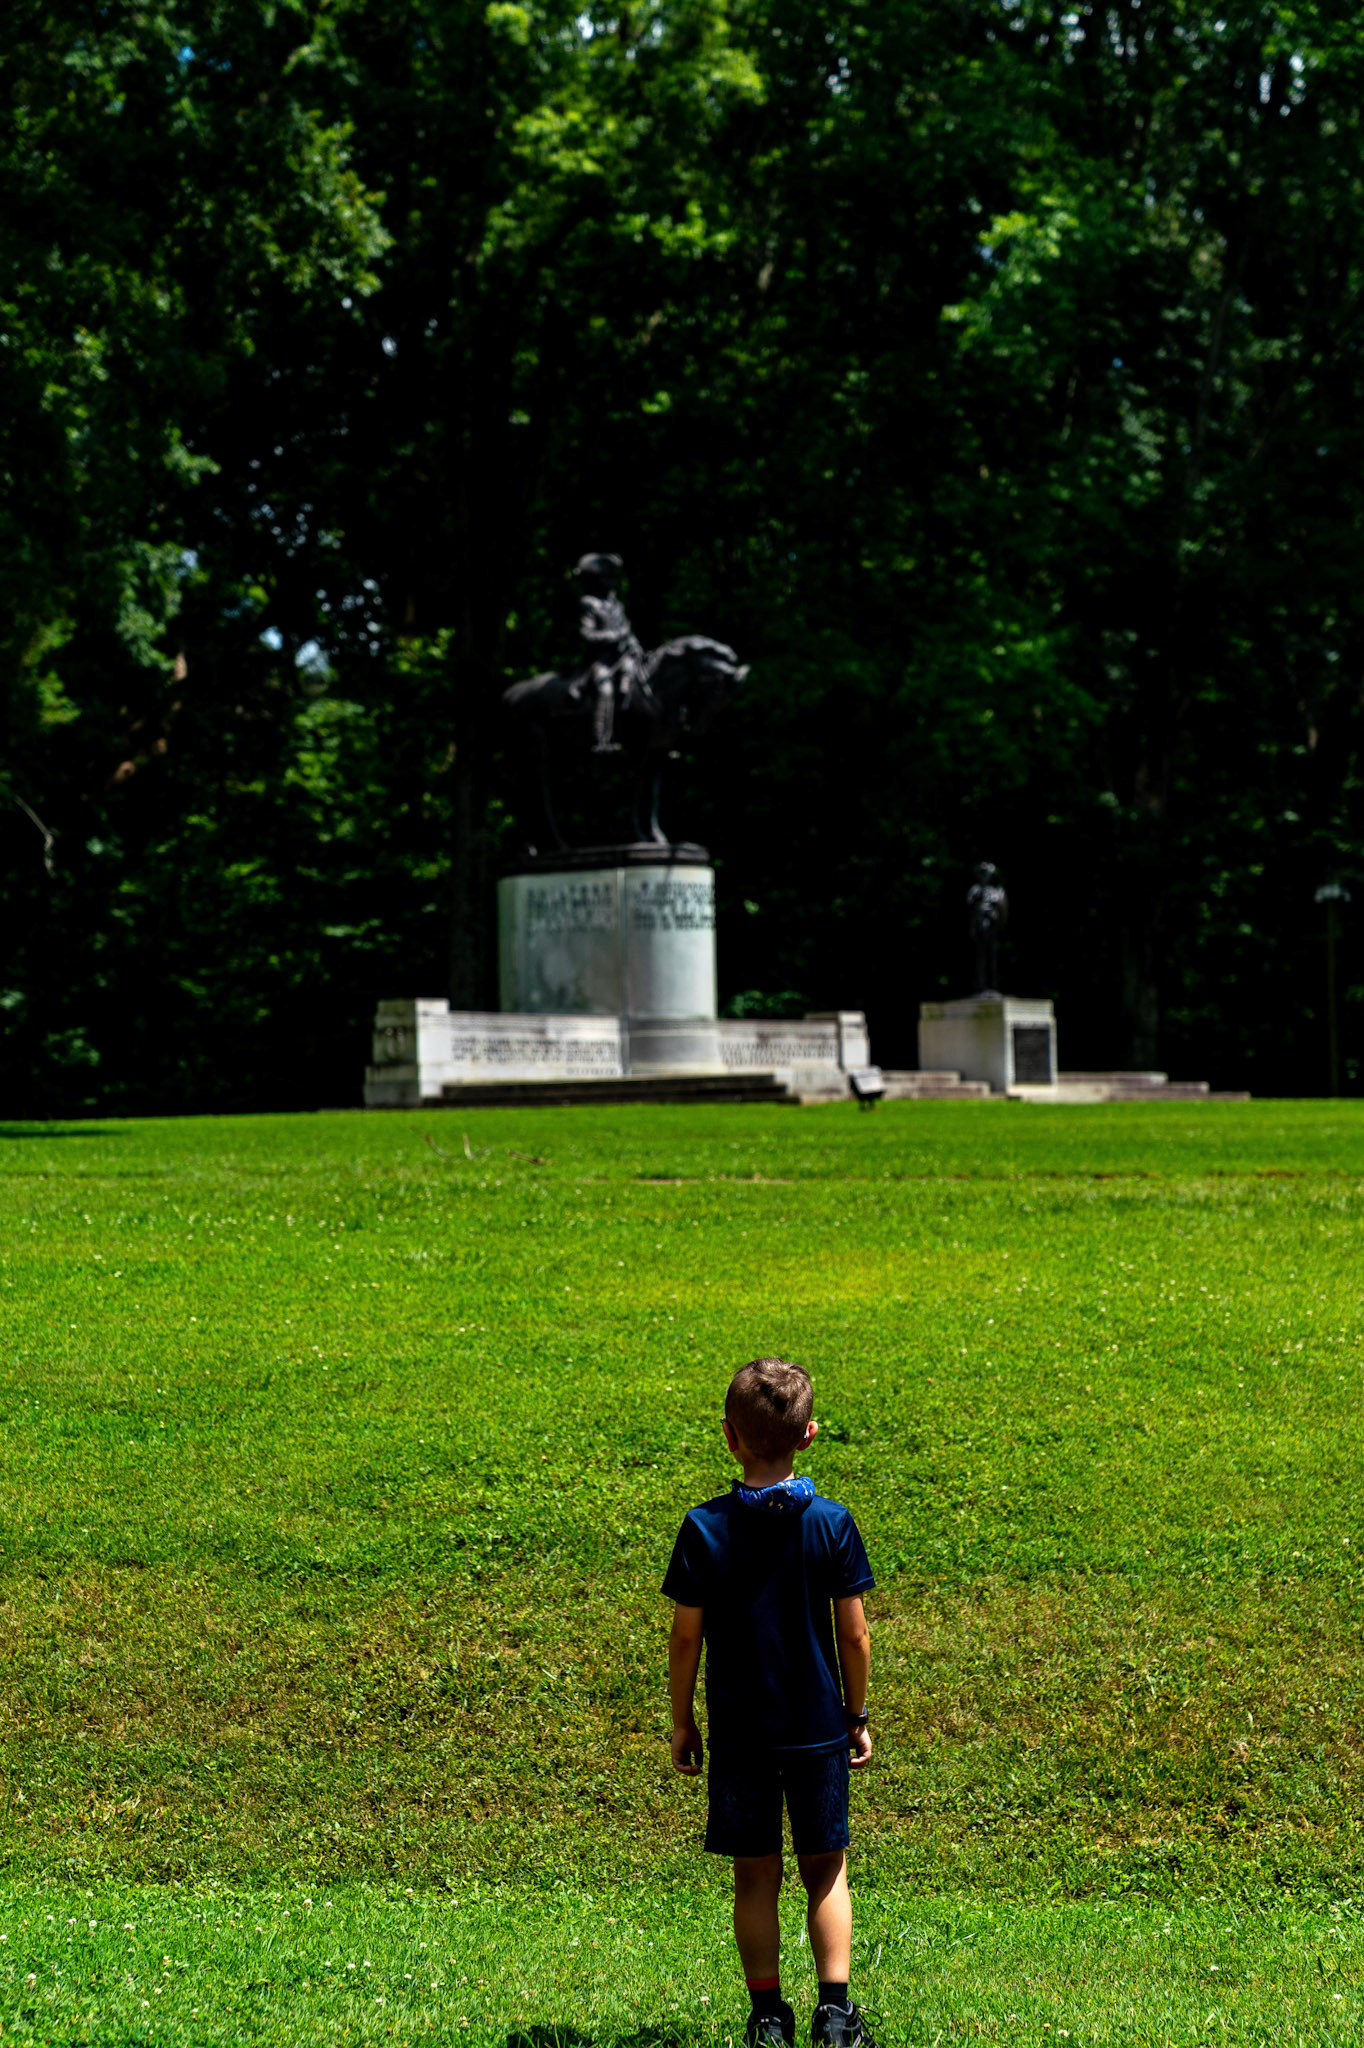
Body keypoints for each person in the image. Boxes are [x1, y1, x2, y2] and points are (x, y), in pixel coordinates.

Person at [663, 1358, 877, 2048]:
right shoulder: (833, 1524)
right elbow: (855, 1634)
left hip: (740, 1732)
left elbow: (684, 1638)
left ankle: (767, 2018)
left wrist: (682, 1721)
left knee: (754, 1877)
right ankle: (836, 2014)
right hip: (817, 1728)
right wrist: (857, 1715)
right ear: (809, 1435)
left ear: (729, 1437)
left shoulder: (703, 1528)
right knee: (826, 1868)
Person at [569, 552, 645, 754]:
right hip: (600, 661)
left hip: (623, 658)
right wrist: (613, 636)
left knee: (640, 685)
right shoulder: (588, 604)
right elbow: (586, 634)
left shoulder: (616, 604)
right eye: (607, 578)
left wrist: (634, 645)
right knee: (605, 690)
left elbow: (626, 630)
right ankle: (602, 740)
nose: (612, 582)